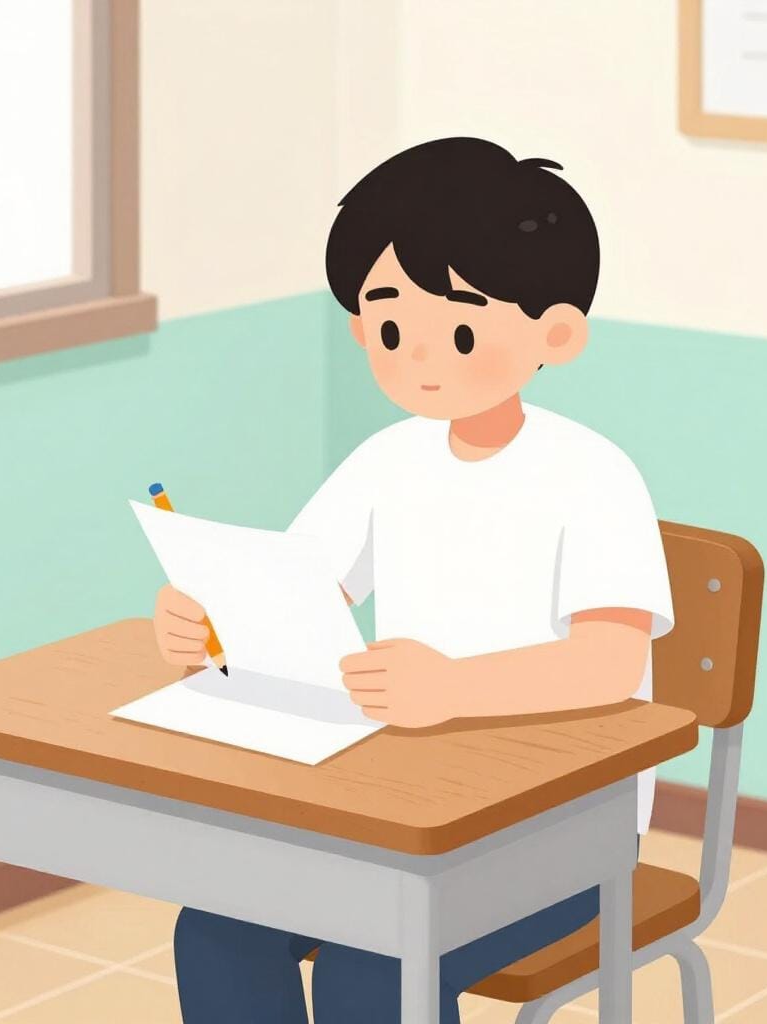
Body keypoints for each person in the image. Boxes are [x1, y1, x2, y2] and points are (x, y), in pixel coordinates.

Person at [154, 137, 674, 1023]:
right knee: (217, 931)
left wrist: (453, 688)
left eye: (461, 327)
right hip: (400, 802)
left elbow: (608, 664)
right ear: (361, 327)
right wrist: (211, 620)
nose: (420, 357)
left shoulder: (593, 475)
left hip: (561, 825)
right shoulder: (386, 458)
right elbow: (301, 592)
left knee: (377, 958)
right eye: (391, 327)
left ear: (556, 332)